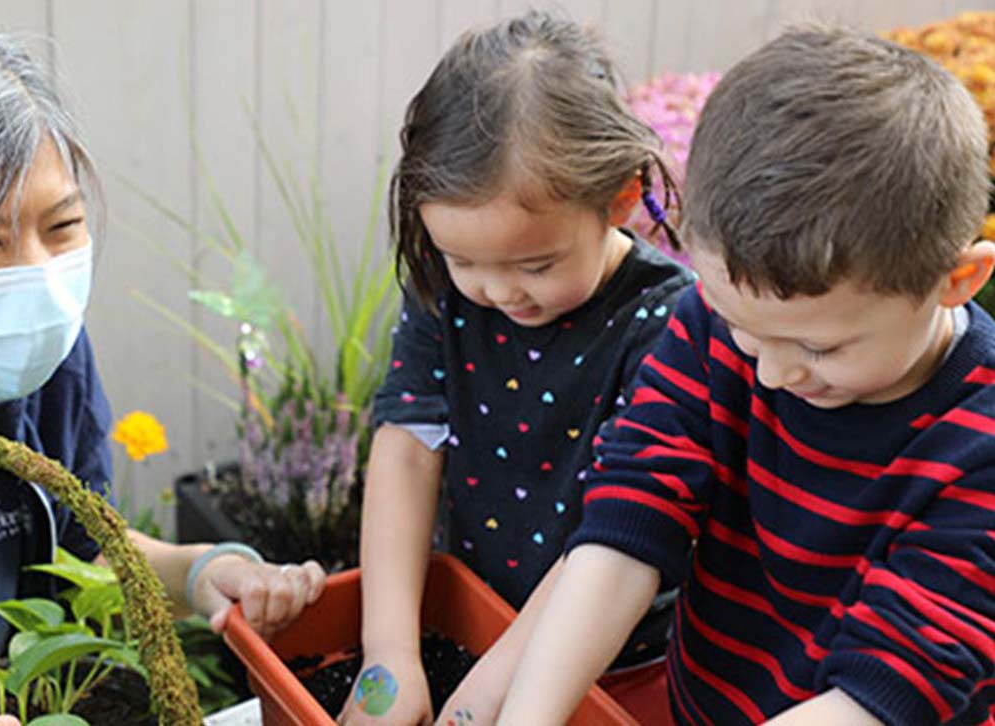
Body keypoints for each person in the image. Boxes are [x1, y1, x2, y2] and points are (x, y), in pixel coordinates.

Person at [0, 17, 326, 726]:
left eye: (61, 228)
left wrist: (204, 573)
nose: (38, 279)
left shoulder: (40, 357)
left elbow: (87, 553)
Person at [499, 25, 995, 726]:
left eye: (819, 349)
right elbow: (629, 520)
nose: (770, 370)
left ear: (958, 279)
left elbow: (888, 689)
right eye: (744, 329)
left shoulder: (978, 450)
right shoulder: (717, 323)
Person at [340, 11, 695, 725]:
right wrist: (389, 657)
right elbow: (409, 449)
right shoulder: (444, 292)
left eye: (536, 264)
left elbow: (615, 534)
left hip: (616, 663)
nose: (498, 292)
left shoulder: (664, 323)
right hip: (475, 616)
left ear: (621, 198)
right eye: (464, 259)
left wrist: (481, 700)